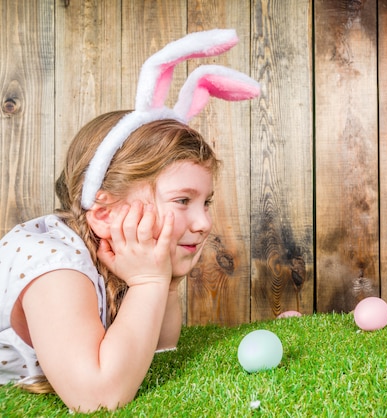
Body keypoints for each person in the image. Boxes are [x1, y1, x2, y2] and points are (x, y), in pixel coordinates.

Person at [0, 30, 259, 412]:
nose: (203, 222)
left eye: (205, 202)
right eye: (182, 200)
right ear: (105, 213)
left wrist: (164, 284)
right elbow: (98, 399)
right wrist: (150, 281)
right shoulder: (56, 267)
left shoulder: (118, 257)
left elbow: (159, 351)